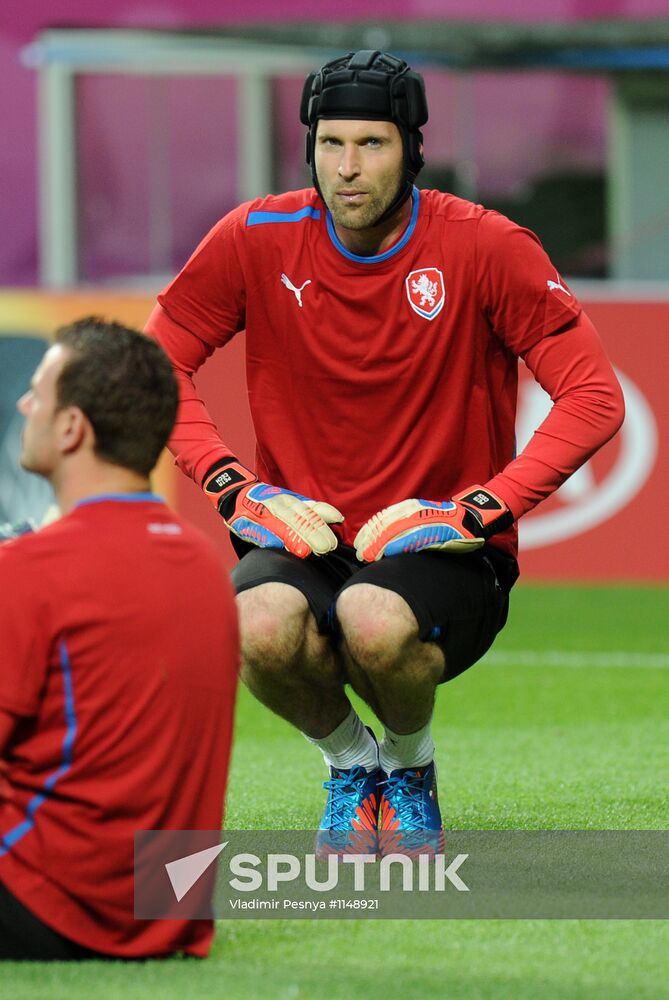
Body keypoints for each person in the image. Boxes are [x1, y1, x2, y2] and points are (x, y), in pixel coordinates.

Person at [145, 50, 624, 855]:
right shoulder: (255, 236)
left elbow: (593, 397)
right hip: (310, 537)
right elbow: (150, 367)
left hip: (441, 546)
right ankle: (351, 765)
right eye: (331, 144)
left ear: (411, 149)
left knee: (372, 620)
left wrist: (478, 509)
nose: (348, 168)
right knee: (248, 624)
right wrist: (234, 488)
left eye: (371, 144)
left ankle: (409, 766)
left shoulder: (485, 246)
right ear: (309, 148)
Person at [0, 317, 239, 959]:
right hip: (166, 913)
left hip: (52, 901)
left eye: (39, 392)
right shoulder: (205, 568)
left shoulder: (29, 570)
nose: (24, 404)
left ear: (73, 427)